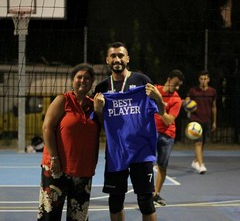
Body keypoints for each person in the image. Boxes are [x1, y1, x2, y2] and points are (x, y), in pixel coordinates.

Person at [94, 41, 165, 221]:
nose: (117, 59)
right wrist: (98, 110)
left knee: (146, 202)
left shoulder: (142, 81)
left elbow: (162, 112)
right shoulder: (102, 88)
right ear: (107, 60)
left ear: (127, 59)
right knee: (115, 202)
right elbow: (100, 123)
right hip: (116, 153)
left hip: (141, 153)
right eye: (113, 56)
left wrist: (158, 98)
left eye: (120, 55)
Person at [37, 63, 101, 221]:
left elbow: (105, 129)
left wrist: (99, 110)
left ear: (92, 82)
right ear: (73, 80)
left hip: (83, 170)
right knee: (49, 216)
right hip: (56, 168)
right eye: (79, 77)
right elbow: (47, 128)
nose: (82, 80)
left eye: (87, 78)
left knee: (78, 217)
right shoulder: (63, 100)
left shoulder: (94, 105)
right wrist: (54, 157)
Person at [152, 69, 184, 206]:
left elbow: (168, 121)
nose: (177, 88)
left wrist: (159, 106)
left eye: (179, 85)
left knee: (162, 166)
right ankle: (147, 193)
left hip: (167, 135)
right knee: (146, 164)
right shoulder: (155, 90)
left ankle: (156, 194)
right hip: (151, 133)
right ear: (169, 79)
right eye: (175, 84)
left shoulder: (176, 99)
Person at [185, 70, 217, 174]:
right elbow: (186, 101)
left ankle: (195, 161)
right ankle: (201, 165)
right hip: (196, 120)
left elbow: (214, 107)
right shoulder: (193, 91)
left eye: (205, 79)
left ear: (208, 80)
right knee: (198, 142)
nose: (203, 81)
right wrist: (188, 104)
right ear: (199, 79)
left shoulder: (212, 91)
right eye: (201, 79)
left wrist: (214, 122)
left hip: (207, 120)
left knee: (203, 143)